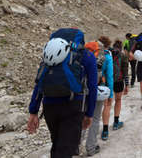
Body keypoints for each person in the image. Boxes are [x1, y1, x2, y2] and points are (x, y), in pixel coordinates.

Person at [27, 28, 97, 158]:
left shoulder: (51, 53)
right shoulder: (86, 56)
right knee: (65, 150)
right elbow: (92, 87)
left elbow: (39, 82)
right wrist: (89, 114)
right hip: (74, 107)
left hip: (50, 107)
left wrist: (33, 111)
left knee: (57, 144)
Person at [83, 40, 108, 156]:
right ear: (96, 50)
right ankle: (91, 147)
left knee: (81, 118)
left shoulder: (79, 58)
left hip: (82, 94)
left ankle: (76, 146)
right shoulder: (102, 59)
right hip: (97, 93)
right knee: (95, 119)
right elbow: (109, 75)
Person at [109, 40, 128, 131]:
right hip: (119, 81)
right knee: (118, 100)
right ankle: (116, 123)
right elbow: (125, 72)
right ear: (121, 47)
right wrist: (127, 85)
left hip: (108, 81)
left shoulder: (108, 53)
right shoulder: (123, 56)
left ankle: (105, 129)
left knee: (107, 103)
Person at [98, 36, 114, 141]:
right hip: (102, 87)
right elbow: (109, 76)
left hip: (89, 85)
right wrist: (111, 93)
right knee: (106, 107)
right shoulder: (108, 57)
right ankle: (105, 130)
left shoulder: (91, 53)